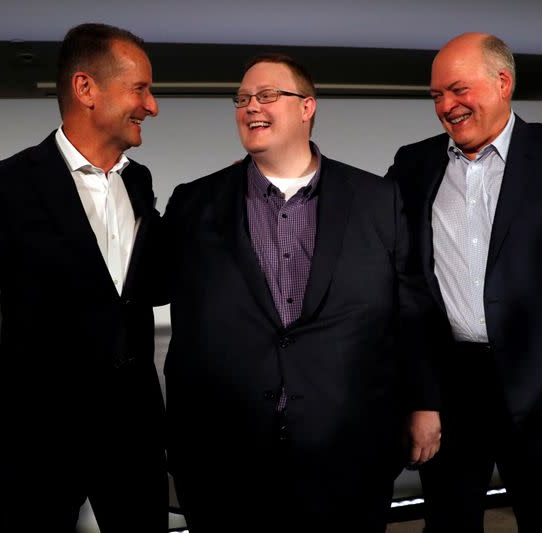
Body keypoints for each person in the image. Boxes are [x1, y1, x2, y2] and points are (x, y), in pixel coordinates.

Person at [160, 53, 439, 533]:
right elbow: (155, 290)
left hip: (347, 451)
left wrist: (425, 402)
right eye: (242, 99)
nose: (251, 107)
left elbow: (410, 311)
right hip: (225, 455)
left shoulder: (377, 200)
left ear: (307, 107)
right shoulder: (195, 201)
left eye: (267, 95)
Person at [385, 32, 542, 532]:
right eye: (436, 95)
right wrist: (419, 393)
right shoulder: (412, 165)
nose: (446, 106)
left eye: (458, 90)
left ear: (502, 82)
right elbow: (402, 284)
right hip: (450, 390)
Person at [0, 23, 167, 532]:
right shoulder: (6, 187)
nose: (152, 106)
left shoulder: (139, 181)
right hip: (40, 439)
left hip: (134, 433)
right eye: (140, 89)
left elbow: (142, 289)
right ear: (86, 90)